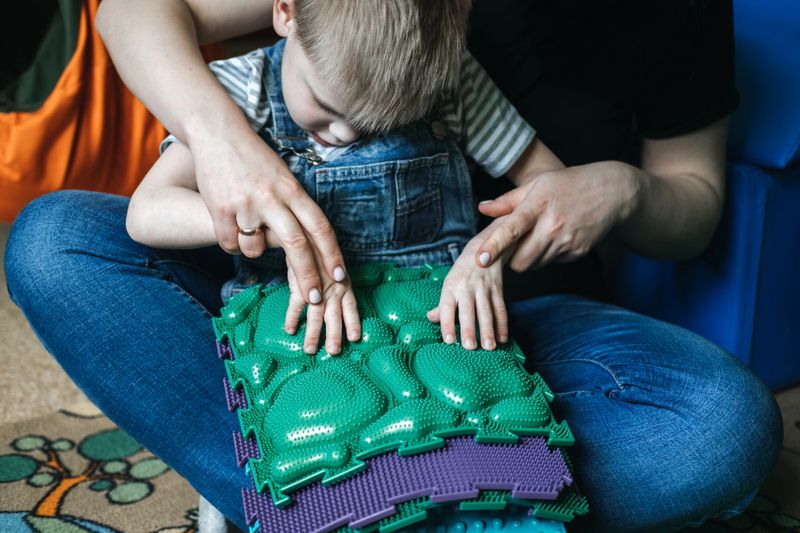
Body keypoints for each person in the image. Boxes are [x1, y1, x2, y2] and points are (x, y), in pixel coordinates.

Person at [3, 1, 782, 531]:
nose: (350, 135)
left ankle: (316, 492)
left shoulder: (467, 86)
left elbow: (680, 206)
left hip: (484, 333)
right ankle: (410, 487)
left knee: (725, 429)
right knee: (52, 242)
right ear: (285, 11)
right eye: (328, 109)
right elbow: (137, 14)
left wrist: (619, 188)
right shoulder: (283, 58)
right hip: (287, 321)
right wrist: (224, 149)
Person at [125, 0, 553, 356]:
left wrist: (487, 254)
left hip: (438, 340)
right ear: (285, 13)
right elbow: (147, 211)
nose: (346, 134)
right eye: (322, 102)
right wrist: (275, 229)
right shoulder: (245, 87)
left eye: (382, 123)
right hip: (291, 342)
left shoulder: (452, 82)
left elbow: (548, 187)